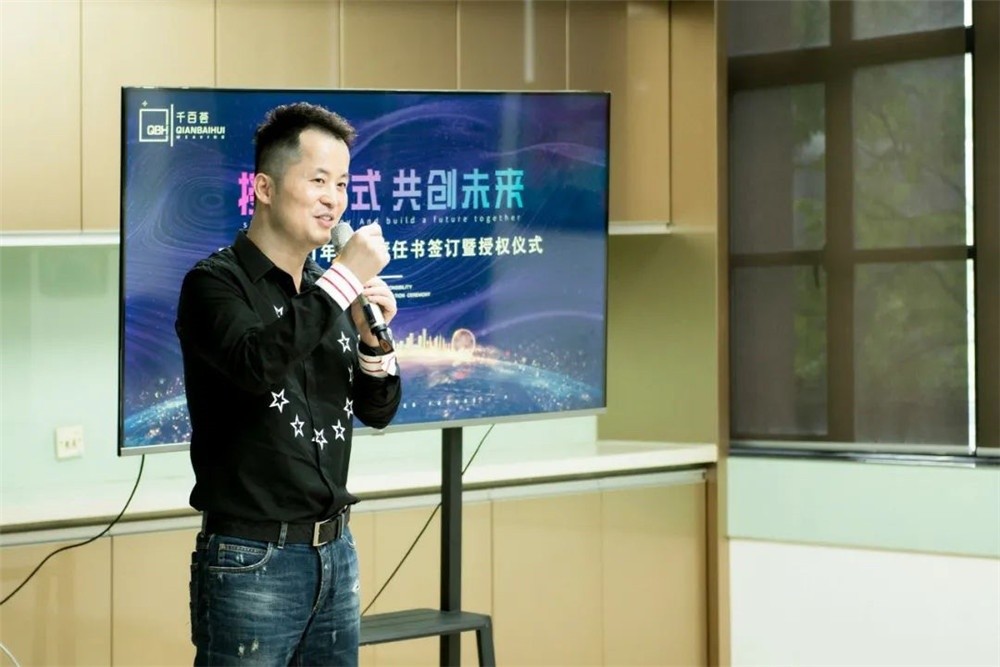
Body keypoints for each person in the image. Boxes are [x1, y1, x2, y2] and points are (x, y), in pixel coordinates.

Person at [176, 101, 401, 666]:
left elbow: (377, 410)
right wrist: (345, 279)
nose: (334, 200)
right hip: (251, 559)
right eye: (318, 180)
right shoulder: (214, 285)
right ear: (265, 189)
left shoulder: (326, 292)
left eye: (343, 184)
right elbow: (256, 364)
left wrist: (373, 343)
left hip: (336, 553)